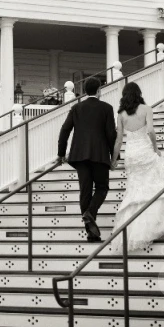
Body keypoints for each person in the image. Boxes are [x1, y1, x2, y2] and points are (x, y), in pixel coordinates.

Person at [110, 81, 164, 252]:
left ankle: (134, 230)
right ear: (139, 93)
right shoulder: (146, 109)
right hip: (145, 151)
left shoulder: (121, 113)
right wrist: (156, 149)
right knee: (154, 188)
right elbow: (150, 131)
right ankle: (155, 225)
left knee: (136, 191)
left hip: (131, 154)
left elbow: (119, 139)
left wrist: (114, 159)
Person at [57, 76, 116, 242]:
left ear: (84, 91)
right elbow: (111, 134)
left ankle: (90, 231)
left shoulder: (77, 108)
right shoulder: (107, 108)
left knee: (85, 191)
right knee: (102, 187)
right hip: (99, 155)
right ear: (98, 91)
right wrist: (114, 156)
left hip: (79, 156)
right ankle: (90, 213)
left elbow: (65, 130)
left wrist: (61, 153)